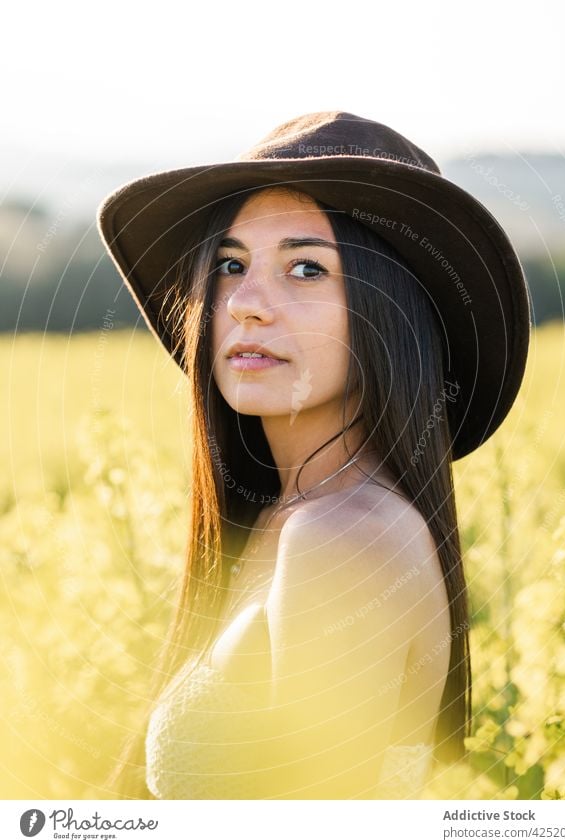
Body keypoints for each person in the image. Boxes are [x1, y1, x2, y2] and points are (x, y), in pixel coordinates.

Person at [96, 111, 531, 799]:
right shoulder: (286, 517)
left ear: (390, 313)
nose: (246, 303)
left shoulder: (339, 540)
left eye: (305, 267)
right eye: (231, 264)